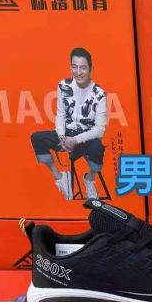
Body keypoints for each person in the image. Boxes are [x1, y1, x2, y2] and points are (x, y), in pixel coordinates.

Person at [30, 47, 108, 201]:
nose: (78, 72)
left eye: (83, 67)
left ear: (91, 69)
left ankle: (90, 179)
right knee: (37, 138)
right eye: (74, 67)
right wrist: (62, 136)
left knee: (98, 147)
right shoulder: (63, 86)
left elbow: (100, 130)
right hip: (66, 134)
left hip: (85, 139)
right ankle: (60, 177)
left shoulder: (99, 94)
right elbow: (60, 114)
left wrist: (76, 140)